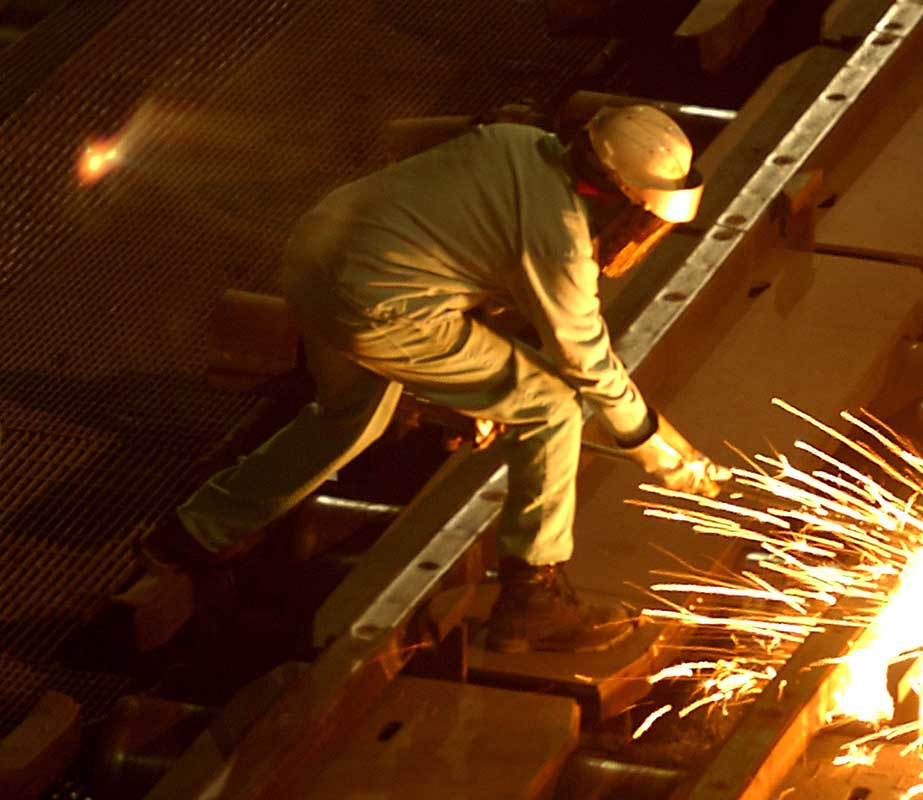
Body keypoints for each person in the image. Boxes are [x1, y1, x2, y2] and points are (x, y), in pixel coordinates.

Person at [138, 105, 730, 654]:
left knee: (348, 421)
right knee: (550, 407)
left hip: (320, 255)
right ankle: (531, 600)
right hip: (378, 303)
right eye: (643, 216)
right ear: (616, 192)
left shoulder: (517, 142)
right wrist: (658, 451)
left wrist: (471, 393)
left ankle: (197, 531)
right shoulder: (559, 240)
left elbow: (456, 241)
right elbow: (586, 362)